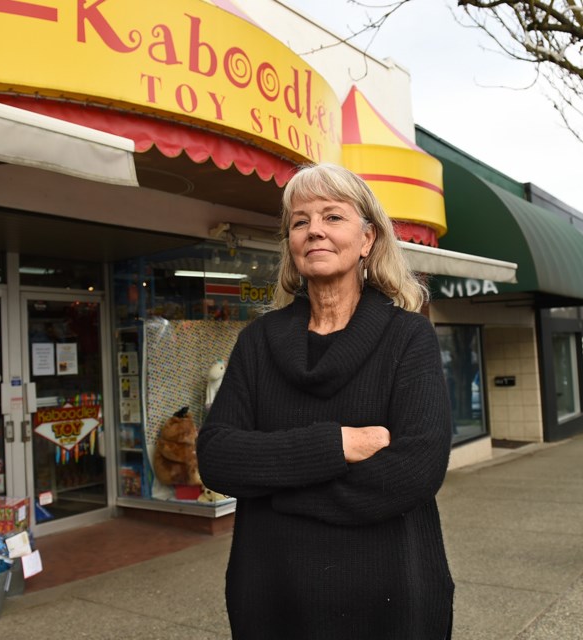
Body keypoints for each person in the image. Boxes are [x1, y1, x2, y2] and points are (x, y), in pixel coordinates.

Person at [197, 163, 455, 640]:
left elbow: (416, 469)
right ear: (291, 243)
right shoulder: (258, 341)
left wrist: (275, 485)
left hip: (389, 598)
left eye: (333, 217)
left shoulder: (407, 336)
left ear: (367, 239)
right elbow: (217, 458)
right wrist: (333, 446)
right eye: (300, 221)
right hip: (273, 596)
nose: (314, 229)